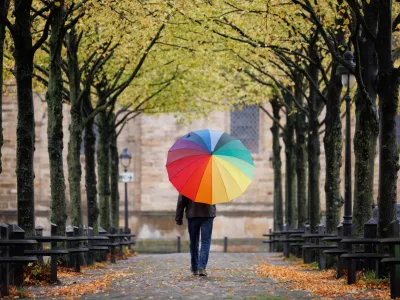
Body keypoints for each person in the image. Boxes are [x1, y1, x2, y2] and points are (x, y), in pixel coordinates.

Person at [175, 194, 216, 277]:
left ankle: (194, 267)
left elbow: (181, 201)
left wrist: (178, 218)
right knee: (205, 242)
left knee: (194, 242)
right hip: (207, 214)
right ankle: (201, 267)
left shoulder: (187, 182)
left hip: (192, 214)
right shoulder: (212, 182)